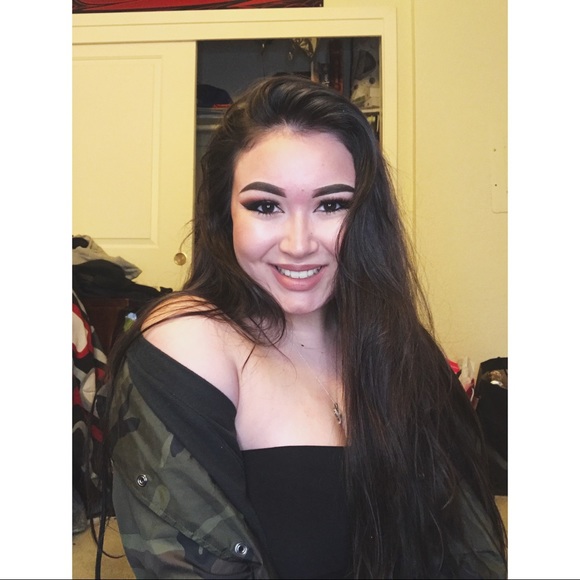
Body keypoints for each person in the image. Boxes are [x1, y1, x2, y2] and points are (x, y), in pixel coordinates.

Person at [96, 75, 507, 579]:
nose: (298, 244)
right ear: (225, 214)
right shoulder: (189, 341)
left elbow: (470, 548)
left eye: (331, 205)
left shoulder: (401, 345)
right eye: (265, 206)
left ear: (365, 216)